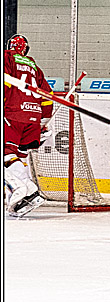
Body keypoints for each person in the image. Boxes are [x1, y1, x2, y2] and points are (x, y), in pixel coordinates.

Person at [3, 34, 54, 217]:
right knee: (19, 156)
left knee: (5, 154)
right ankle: (31, 190)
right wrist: (42, 122)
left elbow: (5, 85)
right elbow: (47, 96)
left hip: (11, 113)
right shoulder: (35, 67)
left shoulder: (6, 58)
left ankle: (19, 189)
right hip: (33, 116)